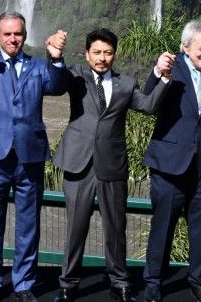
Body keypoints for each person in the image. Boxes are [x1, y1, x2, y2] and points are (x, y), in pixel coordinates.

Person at [52, 28, 170, 302]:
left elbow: (149, 106)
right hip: (78, 161)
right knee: (75, 227)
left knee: (116, 228)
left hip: (112, 164)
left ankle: (119, 282)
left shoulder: (127, 84)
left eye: (107, 53)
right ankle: (68, 284)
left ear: (114, 55)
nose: (102, 58)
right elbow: (56, 82)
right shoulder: (75, 75)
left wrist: (163, 79)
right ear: (87, 54)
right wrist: (55, 56)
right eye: (97, 52)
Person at [0, 11, 68, 302]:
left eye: (18, 33)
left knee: (28, 224)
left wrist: (56, 57)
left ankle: (23, 284)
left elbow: (58, 87)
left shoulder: (39, 66)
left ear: (24, 34)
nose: (13, 39)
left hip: (29, 155)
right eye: (7, 34)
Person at [142, 20, 201, 302]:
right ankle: (153, 282)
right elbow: (149, 99)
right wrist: (157, 72)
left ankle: (199, 281)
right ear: (185, 48)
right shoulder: (172, 68)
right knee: (162, 227)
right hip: (169, 166)